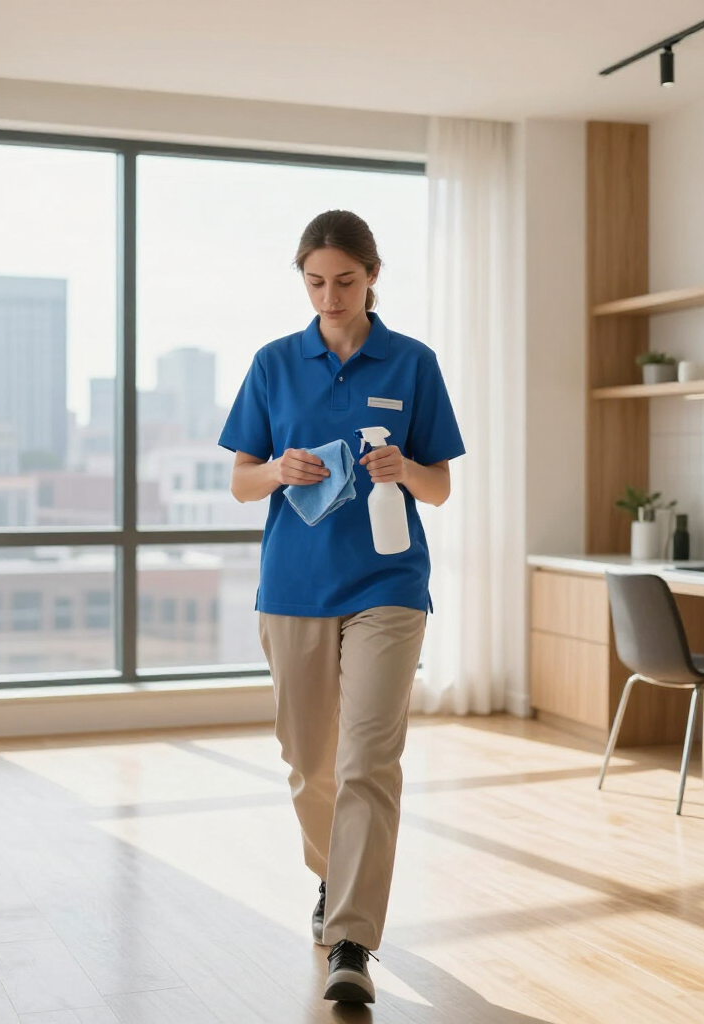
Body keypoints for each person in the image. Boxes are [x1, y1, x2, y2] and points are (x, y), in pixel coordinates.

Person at [218, 209, 464, 1003]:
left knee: (369, 759)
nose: (330, 296)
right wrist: (279, 470)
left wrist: (405, 466)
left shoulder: (413, 363)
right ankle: (333, 875)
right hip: (293, 585)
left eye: (345, 282)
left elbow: (441, 484)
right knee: (308, 759)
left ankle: (351, 939)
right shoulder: (273, 363)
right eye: (316, 282)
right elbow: (239, 478)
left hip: (388, 585)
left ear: (373, 277)